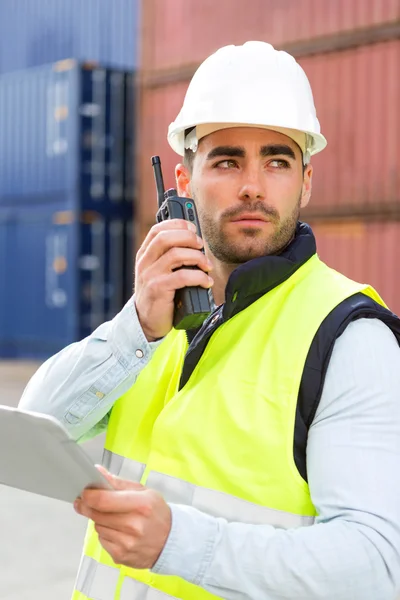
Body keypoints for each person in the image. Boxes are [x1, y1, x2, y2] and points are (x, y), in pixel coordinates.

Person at [20, 41, 400, 600]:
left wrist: (181, 542)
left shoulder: (350, 338)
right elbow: (37, 427)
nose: (252, 185)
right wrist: (136, 328)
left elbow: (378, 568)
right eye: (226, 161)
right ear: (182, 181)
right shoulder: (156, 321)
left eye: (277, 161)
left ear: (306, 181)